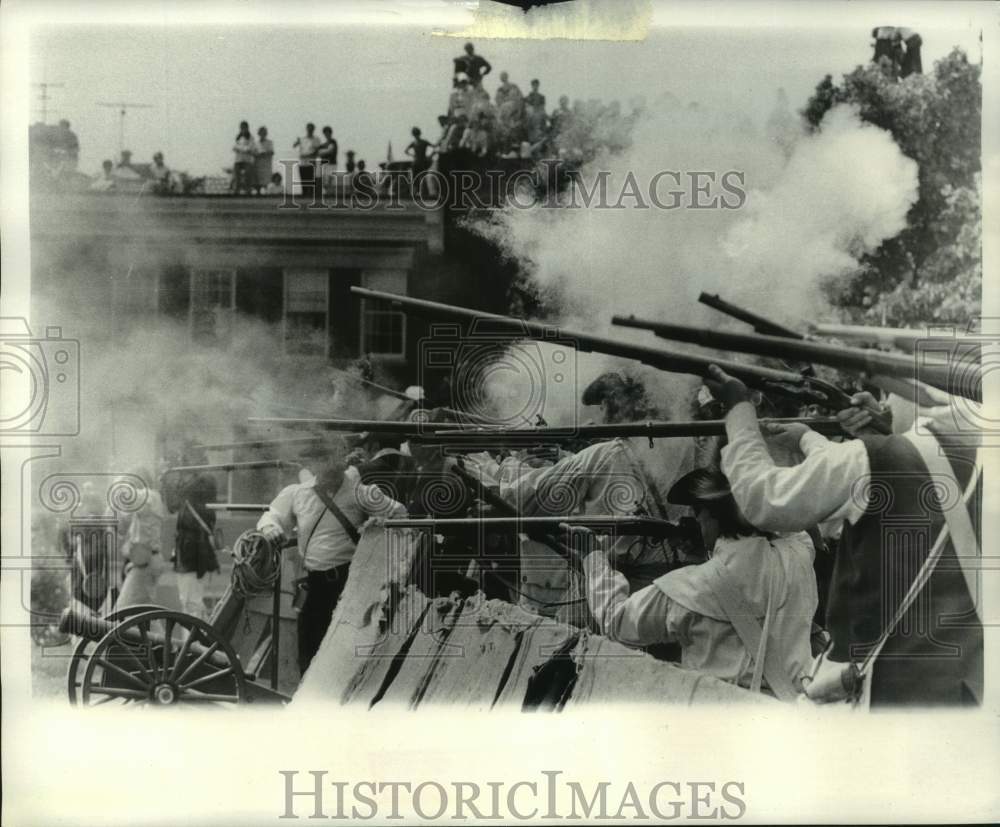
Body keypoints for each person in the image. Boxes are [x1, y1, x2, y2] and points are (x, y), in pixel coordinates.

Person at [705, 364, 983, 707]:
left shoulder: (873, 460)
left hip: (886, 695)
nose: (882, 404)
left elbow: (764, 497)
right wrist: (809, 438)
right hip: (968, 685)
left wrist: (738, 408)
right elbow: (865, 471)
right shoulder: (980, 449)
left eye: (887, 396)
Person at [582, 466, 818, 698]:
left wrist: (592, 557)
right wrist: (710, 544)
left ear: (708, 515)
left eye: (697, 513)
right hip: (791, 711)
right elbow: (793, 522)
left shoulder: (688, 587)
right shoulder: (799, 554)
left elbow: (616, 621)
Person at [256, 436, 406, 673]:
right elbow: (271, 515)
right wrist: (270, 528)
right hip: (313, 585)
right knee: (309, 647)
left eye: (331, 458)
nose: (326, 465)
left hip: (350, 585)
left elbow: (400, 514)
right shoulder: (296, 493)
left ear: (341, 459)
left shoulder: (362, 492)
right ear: (311, 465)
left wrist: (377, 531)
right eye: (319, 460)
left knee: (346, 652)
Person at [163, 446, 220, 619]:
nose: (182, 463)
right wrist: (168, 478)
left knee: (192, 601)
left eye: (184, 460)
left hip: (196, 546)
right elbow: (172, 506)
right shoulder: (191, 481)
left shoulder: (205, 480)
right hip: (186, 546)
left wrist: (169, 475)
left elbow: (182, 493)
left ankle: (194, 642)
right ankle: (191, 642)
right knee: (186, 599)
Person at [114, 468, 168, 610]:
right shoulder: (144, 506)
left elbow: (129, 499)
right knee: (143, 611)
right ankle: (158, 633)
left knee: (122, 608)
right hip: (143, 561)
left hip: (146, 561)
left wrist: (119, 482)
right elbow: (121, 522)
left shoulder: (150, 496)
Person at [293, 122, 321, 201]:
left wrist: (307, 155)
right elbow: (294, 146)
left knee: (311, 180)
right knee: (303, 180)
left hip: (311, 162)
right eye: (308, 128)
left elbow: (317, 151)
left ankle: (312, 197)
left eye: (311, 129)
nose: (310, 130)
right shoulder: (302, 139)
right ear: (306, 129)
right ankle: (304, 196)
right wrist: (297, 142)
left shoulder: (316, 139)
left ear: (313, 130)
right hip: (302, 163)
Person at [232, 121, 257, 194]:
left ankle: (248, 191)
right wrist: (243, 149)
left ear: (247, 128)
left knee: (248, 176)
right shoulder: (238, 137)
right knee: (236, 176)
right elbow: (234, 147)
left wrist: (240, 149)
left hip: (247, 160)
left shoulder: (251, 137)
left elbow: (250, 148)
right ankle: (236, 191)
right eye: (241, 128)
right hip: (238, 160)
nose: (243, 129)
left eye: (244, 127)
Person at [254, 126, 275, 194]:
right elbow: (253, 153)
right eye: (260, 132)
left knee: (266, 183)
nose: (262, 134)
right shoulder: (256, 143)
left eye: (263, 132)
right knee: (257, 183)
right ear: (258, 133)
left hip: (266, 165)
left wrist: (264, 153)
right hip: (258, 165)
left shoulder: (269, 142)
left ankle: (266, 196)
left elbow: (272, 152)